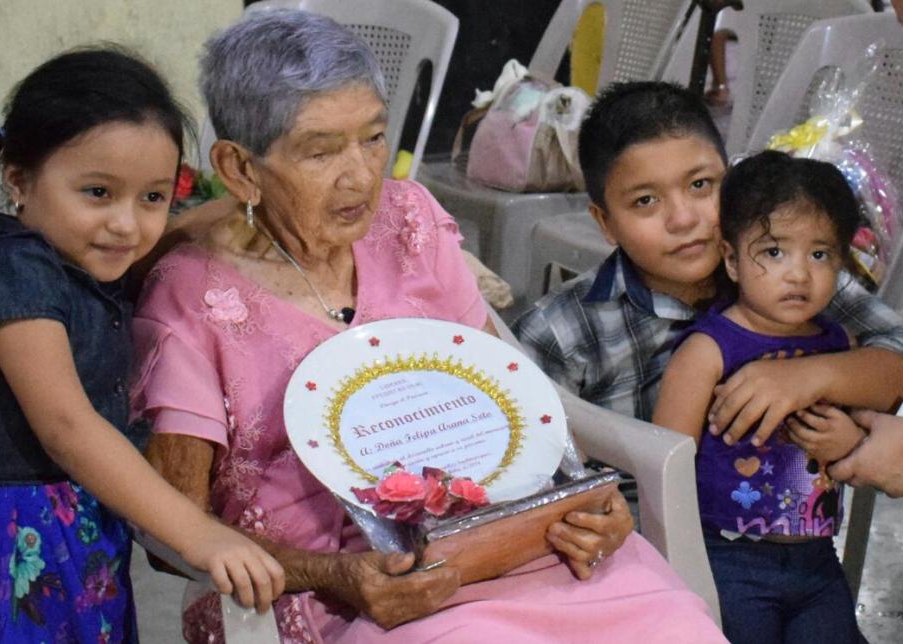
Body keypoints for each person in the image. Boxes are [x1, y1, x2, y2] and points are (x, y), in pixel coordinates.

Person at [131, 10, 725, 643]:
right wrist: (337, 574)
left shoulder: (408, 221)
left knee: (676, 626)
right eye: (321, 150)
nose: (362, 175)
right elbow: (173, 536)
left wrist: (584, 500)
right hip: (353, 592)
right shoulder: (190, 299)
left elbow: (513, 400)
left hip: (512, 542)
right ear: (241, 168)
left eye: (373, 137)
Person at [0, 48, 284, 643]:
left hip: (76, 547)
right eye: (98, 192)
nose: (128, 224)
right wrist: (199, 532)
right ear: (18, 180)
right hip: (1, 556)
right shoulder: (12, 273)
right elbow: (68, 428)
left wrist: (259, 197)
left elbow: (175, 232)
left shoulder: (76, 261)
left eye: (152, 196)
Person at [512, 81, 903, 442]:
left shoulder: (788, 276)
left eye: (700, 185)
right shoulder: (560, 332)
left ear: (729, 178)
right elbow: (527, 461)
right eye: (645, 201)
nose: (683, 219)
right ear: (605, 223)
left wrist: (809, 377)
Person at [652, 151, 865, 643]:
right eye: (774, 252)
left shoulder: (837, 346)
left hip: (817, 559)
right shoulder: (709, 350)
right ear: (731, 258)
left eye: (820, 254)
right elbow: (665, 466)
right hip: (729, 560)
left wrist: (848, 440)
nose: (798, 273)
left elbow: (863, 437)